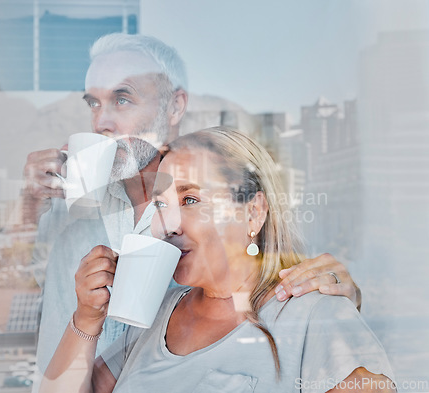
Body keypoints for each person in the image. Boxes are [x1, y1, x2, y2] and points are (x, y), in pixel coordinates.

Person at [22, 34, 361, 375]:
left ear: (175, 105)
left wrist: (333, 298)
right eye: (93, 104)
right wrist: (25, 207)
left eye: (122, 99)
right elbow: (0, 312)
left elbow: (290, 283)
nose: (100, 123)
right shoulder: (62, 205)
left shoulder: (225, 211)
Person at [40, 127, 395, 393]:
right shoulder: (156, 315)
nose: (168, 223)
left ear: (253, 212)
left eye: (191, 200)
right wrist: (87, 319)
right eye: (161, 205)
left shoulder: (318, 314)